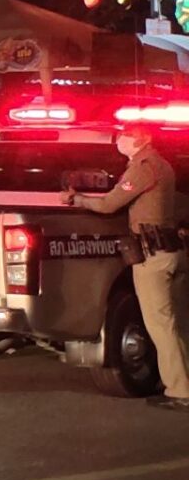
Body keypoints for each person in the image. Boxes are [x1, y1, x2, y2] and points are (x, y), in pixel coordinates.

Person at [67, 124, 189, 410]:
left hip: (153, 255)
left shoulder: (144, 167)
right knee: (177, 323)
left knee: (161, 324)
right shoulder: (163, 165)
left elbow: (110, 204)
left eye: (126, 135)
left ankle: (180, 391)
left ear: (142, 139)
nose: (120, 139)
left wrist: (77, 199)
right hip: (171, 251)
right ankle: (182, 382)